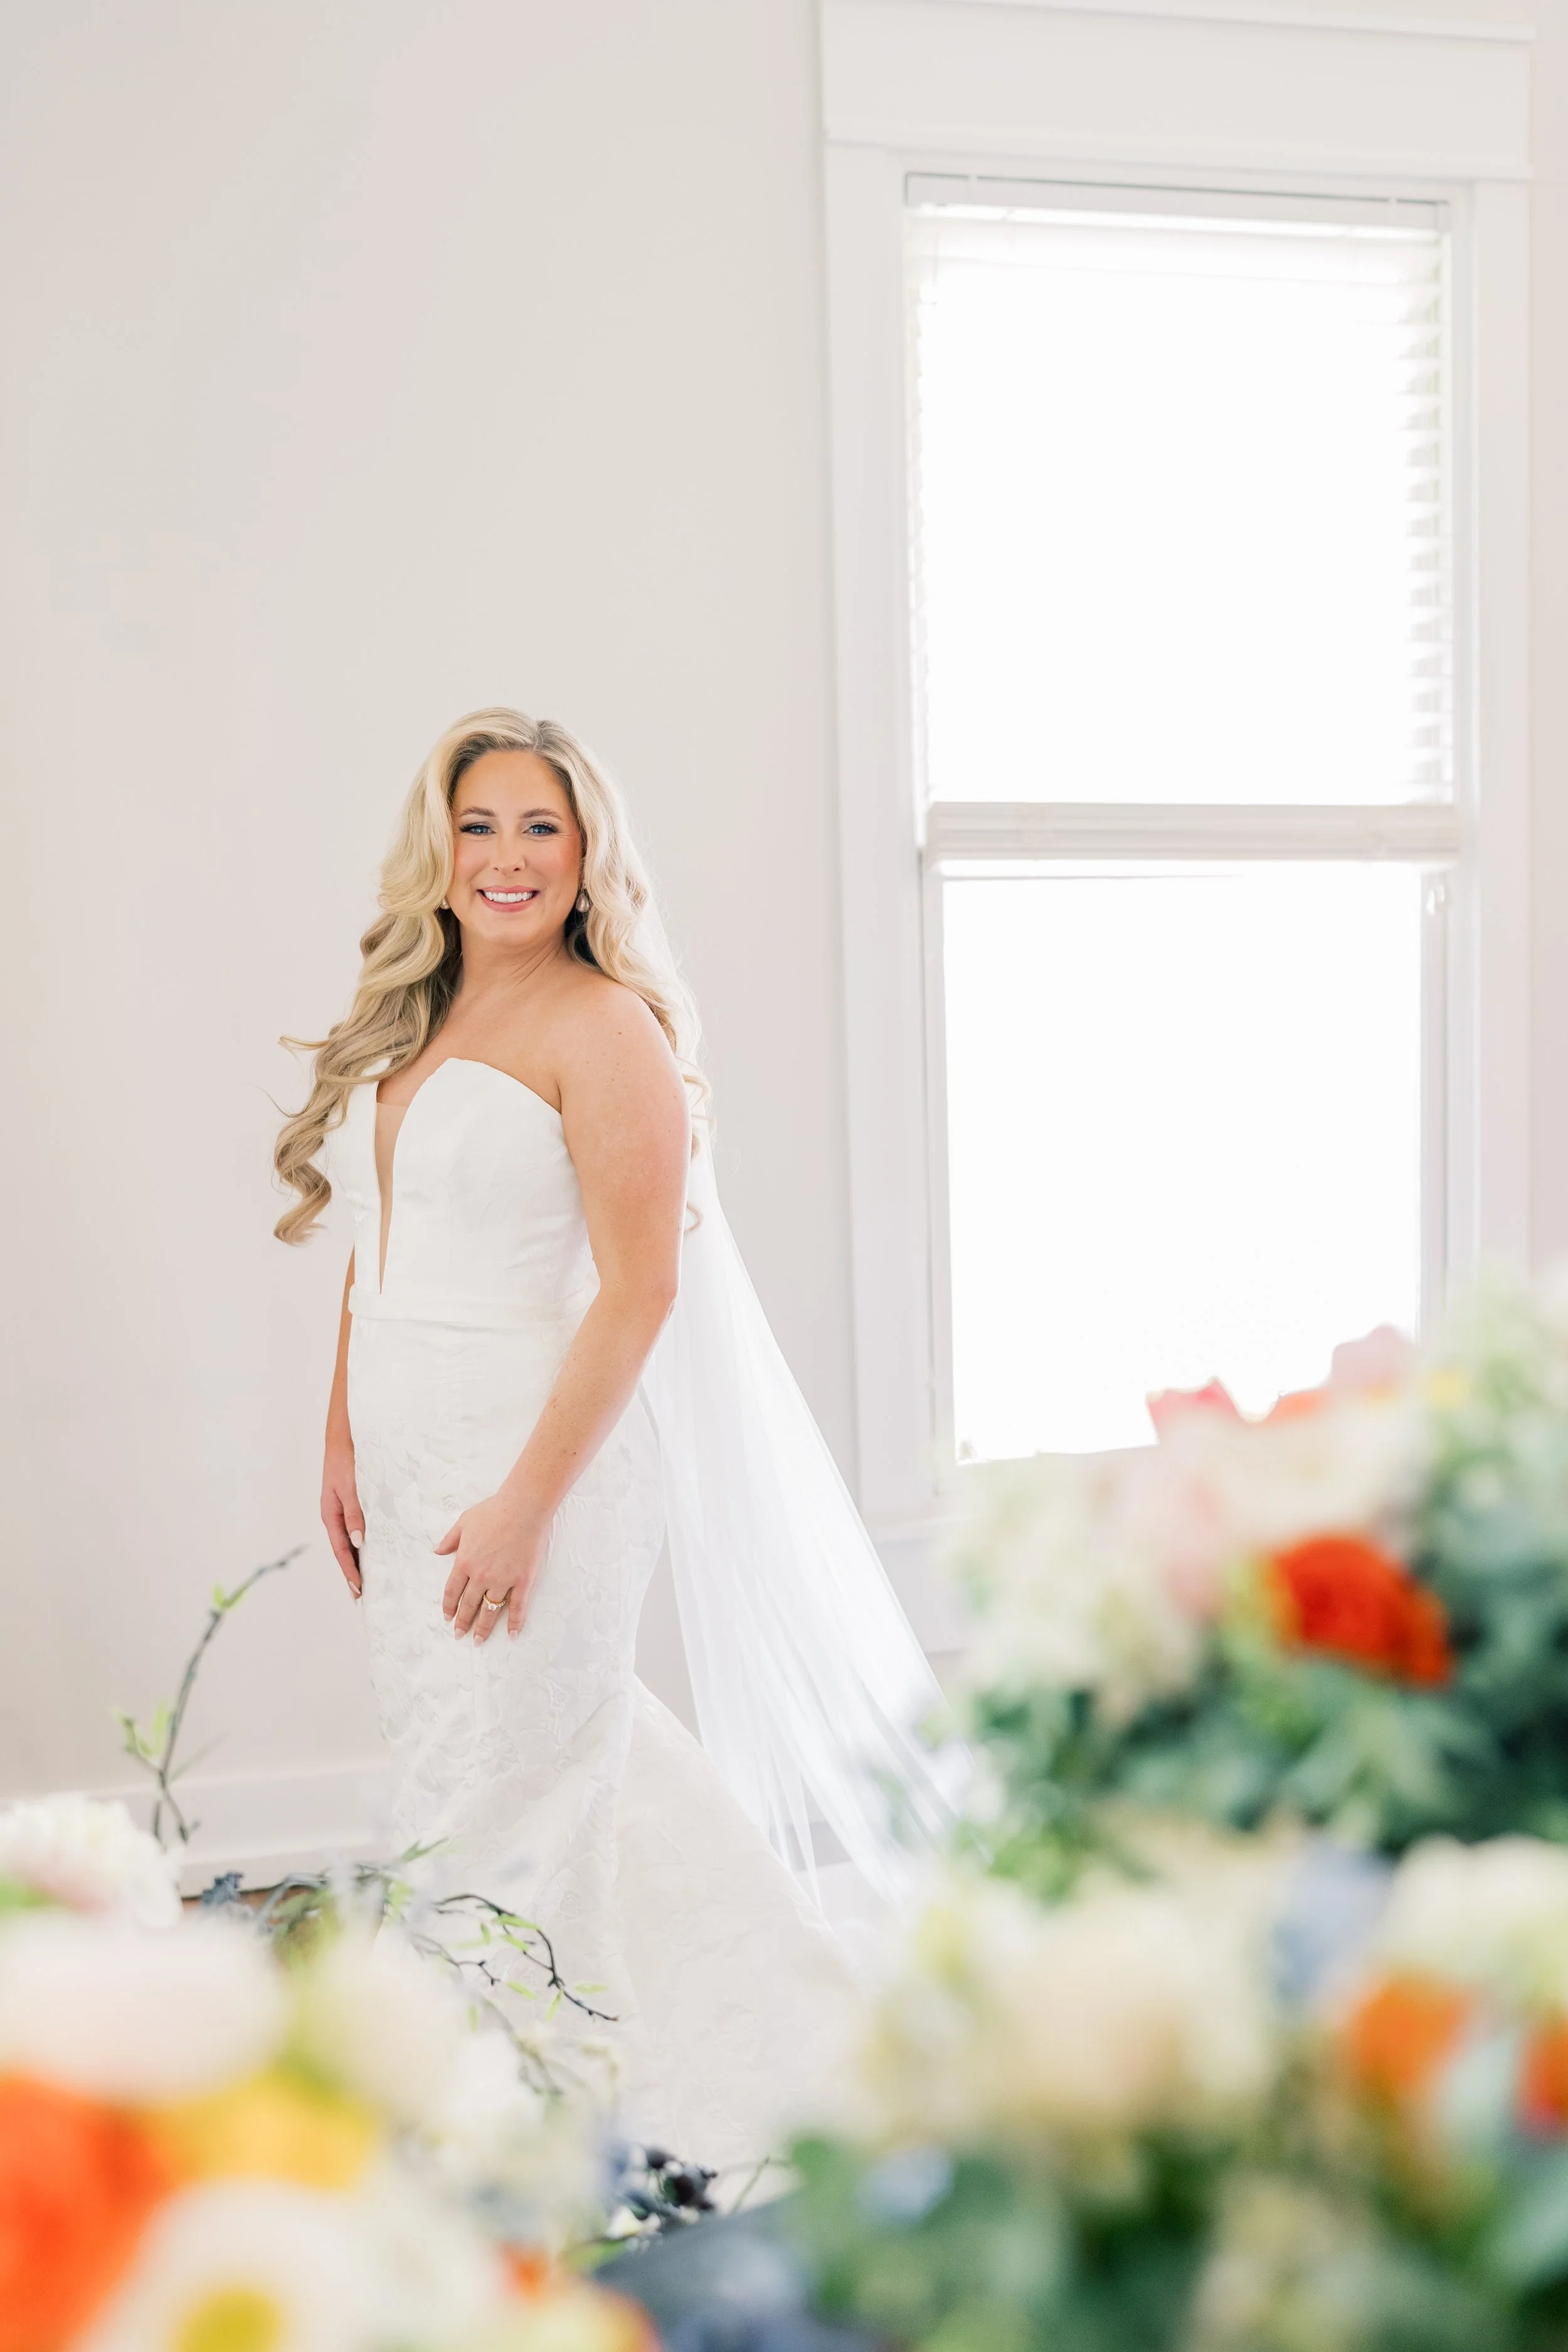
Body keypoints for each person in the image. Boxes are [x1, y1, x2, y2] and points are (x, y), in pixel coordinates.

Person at [274, 709, 956, 2166]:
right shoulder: (415, 1017)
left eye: (541, 827)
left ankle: (527, 2110)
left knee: (518, 1774)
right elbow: (373, 1248)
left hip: (543, 1463)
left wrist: (526, 1502)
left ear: (588, 854)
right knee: (502, 1764)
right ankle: (693, 2032)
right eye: (478, 825)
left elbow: (641, 1289)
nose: (506, 857)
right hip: (404, 1457)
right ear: (439, 848)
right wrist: (338, 1433)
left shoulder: (604, 1030)